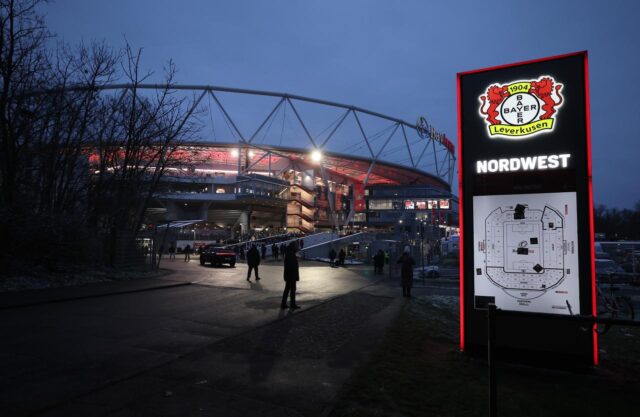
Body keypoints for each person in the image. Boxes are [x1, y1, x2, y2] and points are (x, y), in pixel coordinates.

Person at [281, 242, 300, 309]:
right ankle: (292, 305)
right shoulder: (291, 254)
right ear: (293, 247)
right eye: (296, 246)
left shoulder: (289, 253)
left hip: (289, 276)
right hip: (291, 276)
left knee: (287, 290)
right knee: (292, 290)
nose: (297, 247)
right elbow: (292, 266)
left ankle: (283, 304)